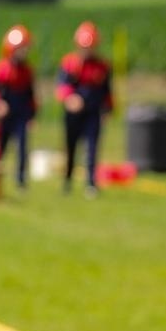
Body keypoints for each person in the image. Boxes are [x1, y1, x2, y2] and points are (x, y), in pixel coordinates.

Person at [57, 20, 114, 198]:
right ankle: (67, 181)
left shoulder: (102, 66)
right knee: (71, 147)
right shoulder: (70, 63)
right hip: (73, 115)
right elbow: (62, 86)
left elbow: (107, 91)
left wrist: (108, 109)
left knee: (92, 148)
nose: (87, 51)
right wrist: (70, 98)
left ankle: (91, 183)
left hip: (93, 113)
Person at [0, 24, 37, 191]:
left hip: (21, 114)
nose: (24, 52)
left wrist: (32, 115)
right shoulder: (1, 68)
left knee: (22, 147)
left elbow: (30, 96)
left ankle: (20, 180)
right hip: (4, 116)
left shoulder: (27, 70)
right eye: (21, 49)